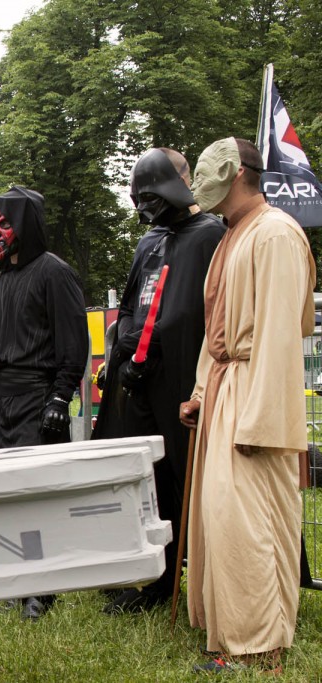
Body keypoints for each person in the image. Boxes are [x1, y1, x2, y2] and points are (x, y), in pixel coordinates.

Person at [180, 138, 314, 674]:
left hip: (254, 396)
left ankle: (259, 647)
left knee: (251, 520)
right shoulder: (234, 234)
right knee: (225, 518)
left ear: (235, 174)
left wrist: (261, 420)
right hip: (229, 389)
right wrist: (200, 393)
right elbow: (218, 331)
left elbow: (281, 335)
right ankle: (233, 632)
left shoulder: (275, 233)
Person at [95, 149, 226, 614]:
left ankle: (208, 579)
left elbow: (206, 312)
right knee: (148, 479)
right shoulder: (150, 241)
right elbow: (133, 304)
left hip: (184, 378)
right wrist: (128, 352)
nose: (148, 210)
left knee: (188, 476)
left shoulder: (211, 235)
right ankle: (156, 579)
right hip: (140, 381)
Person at [0, 186, 88, 619]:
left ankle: (42, 589)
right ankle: (18, 580)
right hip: (2, 399)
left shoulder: (54, 273)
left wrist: (60, 395)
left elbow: (73, 341)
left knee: (36, 493)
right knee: (6, 492)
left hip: (38, 396)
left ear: (25, 226)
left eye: (4, 223)